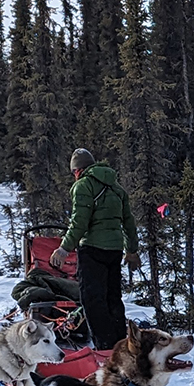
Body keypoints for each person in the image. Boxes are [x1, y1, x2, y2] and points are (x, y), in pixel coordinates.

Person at [65, 148, 131, 352]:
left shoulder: (83, 185)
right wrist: (132, 250)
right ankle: (121, 343)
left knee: (92, 299)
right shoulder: (116, 187)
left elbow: (80, 222)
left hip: (92, 248)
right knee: (113, 296)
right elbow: (129, 220)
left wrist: (64, 248)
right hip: (115, 249)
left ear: (78, 170)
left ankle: (104, 347)